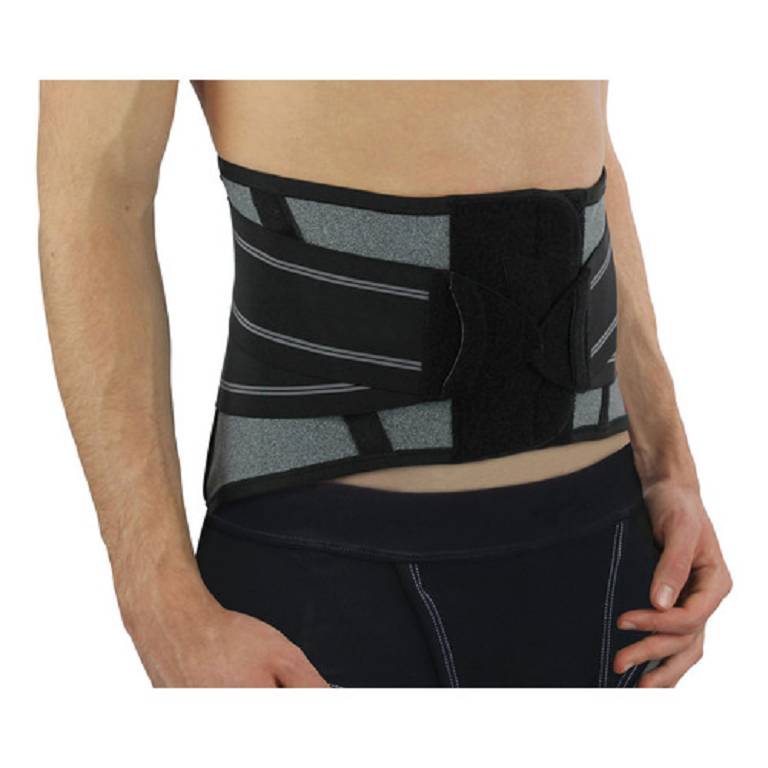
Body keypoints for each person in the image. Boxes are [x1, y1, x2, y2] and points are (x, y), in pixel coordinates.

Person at [37, 80, 731, 687]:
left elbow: (584, 148)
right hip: (326, 577)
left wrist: (669, 465)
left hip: (607, 555)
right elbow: (97, 196)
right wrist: (160, 605)